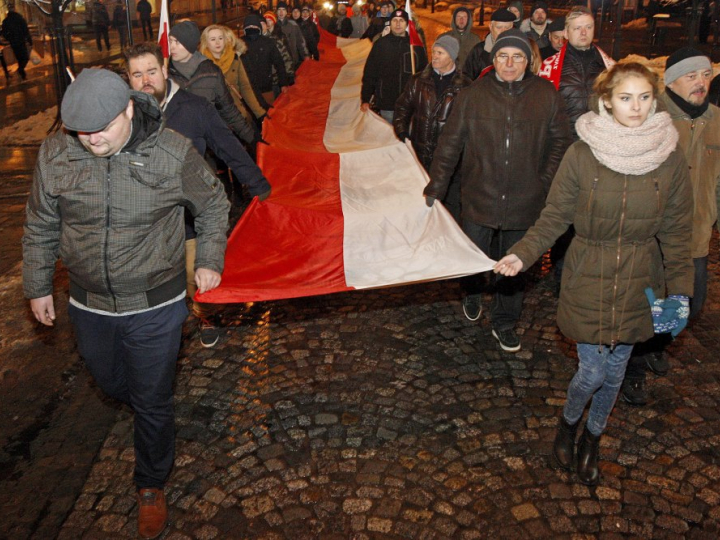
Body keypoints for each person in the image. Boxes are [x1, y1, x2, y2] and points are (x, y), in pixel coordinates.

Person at [23, 68, 229, 538]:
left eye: (103, 128)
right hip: (89, 302)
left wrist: (210, 257)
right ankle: (146, 407)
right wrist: (37, 285)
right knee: (114, 382)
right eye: (82, 130)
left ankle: (151, 483)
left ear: (130, 108)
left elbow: (214, 204)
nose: (92, 139)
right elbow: (39, 223)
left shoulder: (171, 151)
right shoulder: (57, 152)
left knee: (152, 397)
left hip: (156, 302)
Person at [494, 62, 693, 485]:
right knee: (593, 372)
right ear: (607, 101)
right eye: (626, 98)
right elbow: (554, 216)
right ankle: (568, 423)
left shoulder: (669, 158)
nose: (636, 107)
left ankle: (593, 438)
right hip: (588, 272)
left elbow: (677, 232)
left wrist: (680, 293)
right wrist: (523, 254)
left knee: (617, 369)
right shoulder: (582, 154)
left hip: (642, 278)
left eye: (644, 97)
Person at [425, 29, 571, 351]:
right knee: (475, 254)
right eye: (503, 56)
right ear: (494, 59)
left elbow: (562, 140)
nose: (509, 63)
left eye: (517, 56)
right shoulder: (473, 95)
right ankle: (473, 291)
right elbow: (450, 145)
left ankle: (505, 321)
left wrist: (543, 180)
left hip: (525, 199)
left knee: (514, 264)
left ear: (527, 61)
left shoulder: (546, 95)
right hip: (479, 193)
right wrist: (436, 186)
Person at [124, 42, 270, 347]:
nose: (145, 80)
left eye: (152, 71)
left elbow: (227, 148)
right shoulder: (122, 117)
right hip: (145, 224)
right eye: (137, 75)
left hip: (189, 218)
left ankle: (205, 316)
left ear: (165, 70)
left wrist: (259, 187)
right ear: (129, 79)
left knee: (195, 277)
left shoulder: (195, 107)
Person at [622, 48, 720, 406]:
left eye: (706, 75)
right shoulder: (650, 117)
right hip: (653, 236)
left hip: (694, 236)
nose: (700, 83)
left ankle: (655, 345)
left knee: (689, 306)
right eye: (692, 75)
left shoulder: (718, 120)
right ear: (673, 79)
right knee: (643, 307)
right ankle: (631, 369)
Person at [393, 35, 471, 221]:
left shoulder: (466, 87)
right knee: (423, 202)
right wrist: (402, 132)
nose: (434, 57)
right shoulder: (418, 81)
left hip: (452, 161)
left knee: (450, 206)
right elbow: (402, 107)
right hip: (422, 155)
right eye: (433, 52)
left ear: (451, 56)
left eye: (440, 53)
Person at [168, 21, 258, 145]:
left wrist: (252, 137)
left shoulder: (213, 70)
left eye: (220, 38)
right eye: (170, 41)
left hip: (216, 132)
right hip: (179, 142)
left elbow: (231, 103)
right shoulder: (166, 72)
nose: (171, 46)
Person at [360, 8, 428, 123]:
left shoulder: (415, 46)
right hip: (387, 102)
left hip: (410, 104)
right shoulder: (380, 45)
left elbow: (425, 74)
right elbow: (370, 73)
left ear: (407, 24)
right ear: (390, 23)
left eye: (401, 20)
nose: (397, 24)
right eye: (394, 20)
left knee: (407, 137)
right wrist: (366, 98)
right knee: (389, 136)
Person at [200, 24, 268, 124]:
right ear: (206, 42)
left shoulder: (235, 59)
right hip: (217, 120)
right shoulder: (202, 65)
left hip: (238, 116)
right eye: (213, 39)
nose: (217, 42)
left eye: (220, 38)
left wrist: (259, 112)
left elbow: (245, 87)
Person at [241, 13, 290, 107]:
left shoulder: (268, 42)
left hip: (265, 87)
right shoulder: (239, 43)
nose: (252, 28)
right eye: (249, 26)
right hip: (246, 90)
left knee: (268, 114)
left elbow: (279, 62)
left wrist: (283, 83)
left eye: (254, 26)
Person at [462, 8, 515, 80]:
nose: (503, 32)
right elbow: (466, 78)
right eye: (499, 27)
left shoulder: (520, 52)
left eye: (507, 28)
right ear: (490, 27)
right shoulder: (478, 51)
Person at [263, 10, 296, 94]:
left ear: (273, 21)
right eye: (265, 21)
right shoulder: (262, 37)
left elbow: (286, 55)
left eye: (269, 20)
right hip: (267, 78)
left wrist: (289, 74)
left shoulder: (280, 36)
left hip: (278, 77)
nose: (267, 23)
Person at [1, 2, 33, 81]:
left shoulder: (6, 21)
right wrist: (29, 39)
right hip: (20, 41)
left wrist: (9, 38)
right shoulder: (19, 18)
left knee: (20, 58)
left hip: (14, 42)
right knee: (25, 57)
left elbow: (4, 33)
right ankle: (21, 71)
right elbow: (25, 29)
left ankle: (22, 72)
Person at [276, 1, 307, 70]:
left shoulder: (293, 25)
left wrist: (305, 56)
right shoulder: (273, 25)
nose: (281, 12)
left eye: (283, 10)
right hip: (278, 62)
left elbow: (300, 41)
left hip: (292, 60)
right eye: (279, 10)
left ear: (286, 12)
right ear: (276, 12)